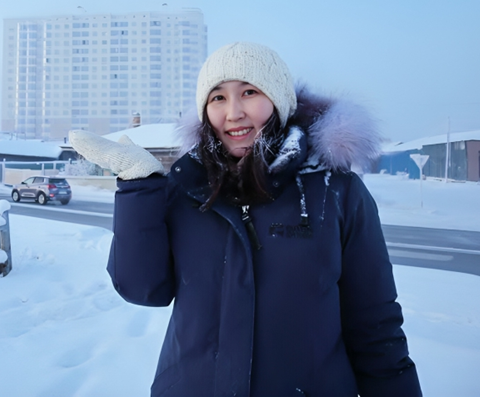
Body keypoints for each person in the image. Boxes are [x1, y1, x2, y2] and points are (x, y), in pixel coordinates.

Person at [69, 42, 422, 397]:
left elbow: (376, 328)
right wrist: (139, 187)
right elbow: (143, 288)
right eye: (217, 98)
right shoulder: (187, 188)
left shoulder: (337, 192)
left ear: (278, 100)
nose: (233, 113)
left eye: (249, 92)